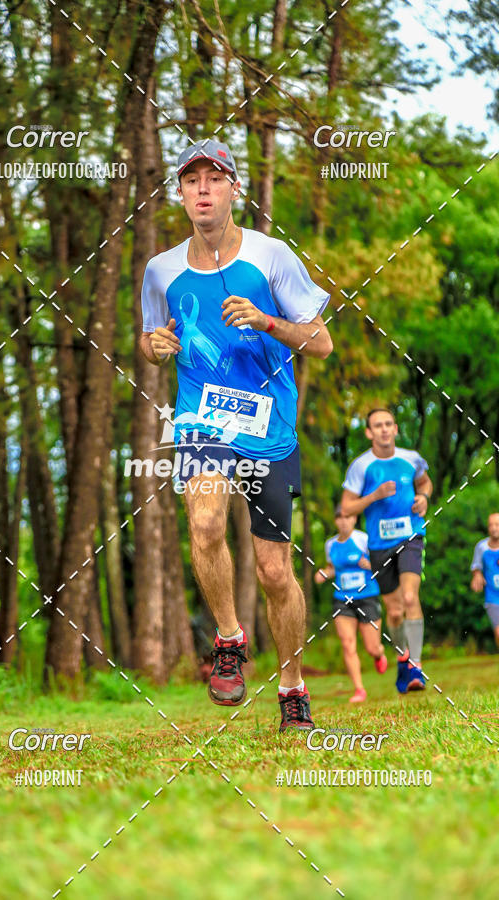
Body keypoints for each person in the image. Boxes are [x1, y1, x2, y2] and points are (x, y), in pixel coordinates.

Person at [139, 139, 333, 733]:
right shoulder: (161, 270)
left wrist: (267, 320)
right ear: (180, 194)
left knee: (275, 572)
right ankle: (228, 641)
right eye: (191, 180)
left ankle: (293, 687)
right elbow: (149, 342)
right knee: (202, 524)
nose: (202, 189)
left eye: (214, 179)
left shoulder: (272, 257)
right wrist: (155, 347)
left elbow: (321, 341)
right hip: (203, 419)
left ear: (233, 191)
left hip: (268, 427)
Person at [340, 408, 433, 694]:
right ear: (369, 432)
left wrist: (424, 498)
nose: (383, 429)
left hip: (411, 535)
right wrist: (375, 496)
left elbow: (425, 482)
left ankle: (416, 666)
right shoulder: (360, 467)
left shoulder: (411, 458)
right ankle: (402, 660)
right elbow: (346, 507)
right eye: (377, 425)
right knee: (393, 612)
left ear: (395, 429)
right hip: (379, 544)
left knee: (409, 596)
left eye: (388, 424)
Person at [315, 505, 387, 702]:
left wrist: (371, 565)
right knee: (347, 644)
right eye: (340, 518)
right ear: (336, 521)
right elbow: (332, 568)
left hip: (367, 597)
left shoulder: (363, 539)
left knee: (372, 647)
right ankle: (359, 689)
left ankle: (379, 655)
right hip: (343, 599)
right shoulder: (330, 544)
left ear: (354, 519)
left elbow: (381, 565)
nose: (344, 521)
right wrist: (323, 574)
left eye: (348, 517)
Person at [470, 512, 499, 648]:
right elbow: (476, 567)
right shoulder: (481, 547)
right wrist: (477, 575)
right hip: (493, 597)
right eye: (490, 525)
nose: (493, 528)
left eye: (497, 525)